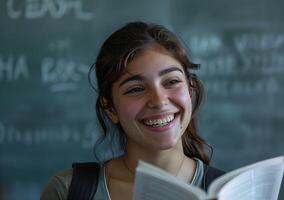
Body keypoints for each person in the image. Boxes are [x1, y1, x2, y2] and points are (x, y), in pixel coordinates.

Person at [41, 21, 224, 200]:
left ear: (190, 90)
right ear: (110, 108)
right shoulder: (67, 191)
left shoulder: (227, 192)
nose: (159, 101)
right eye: (136, 89)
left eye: (171, 82)